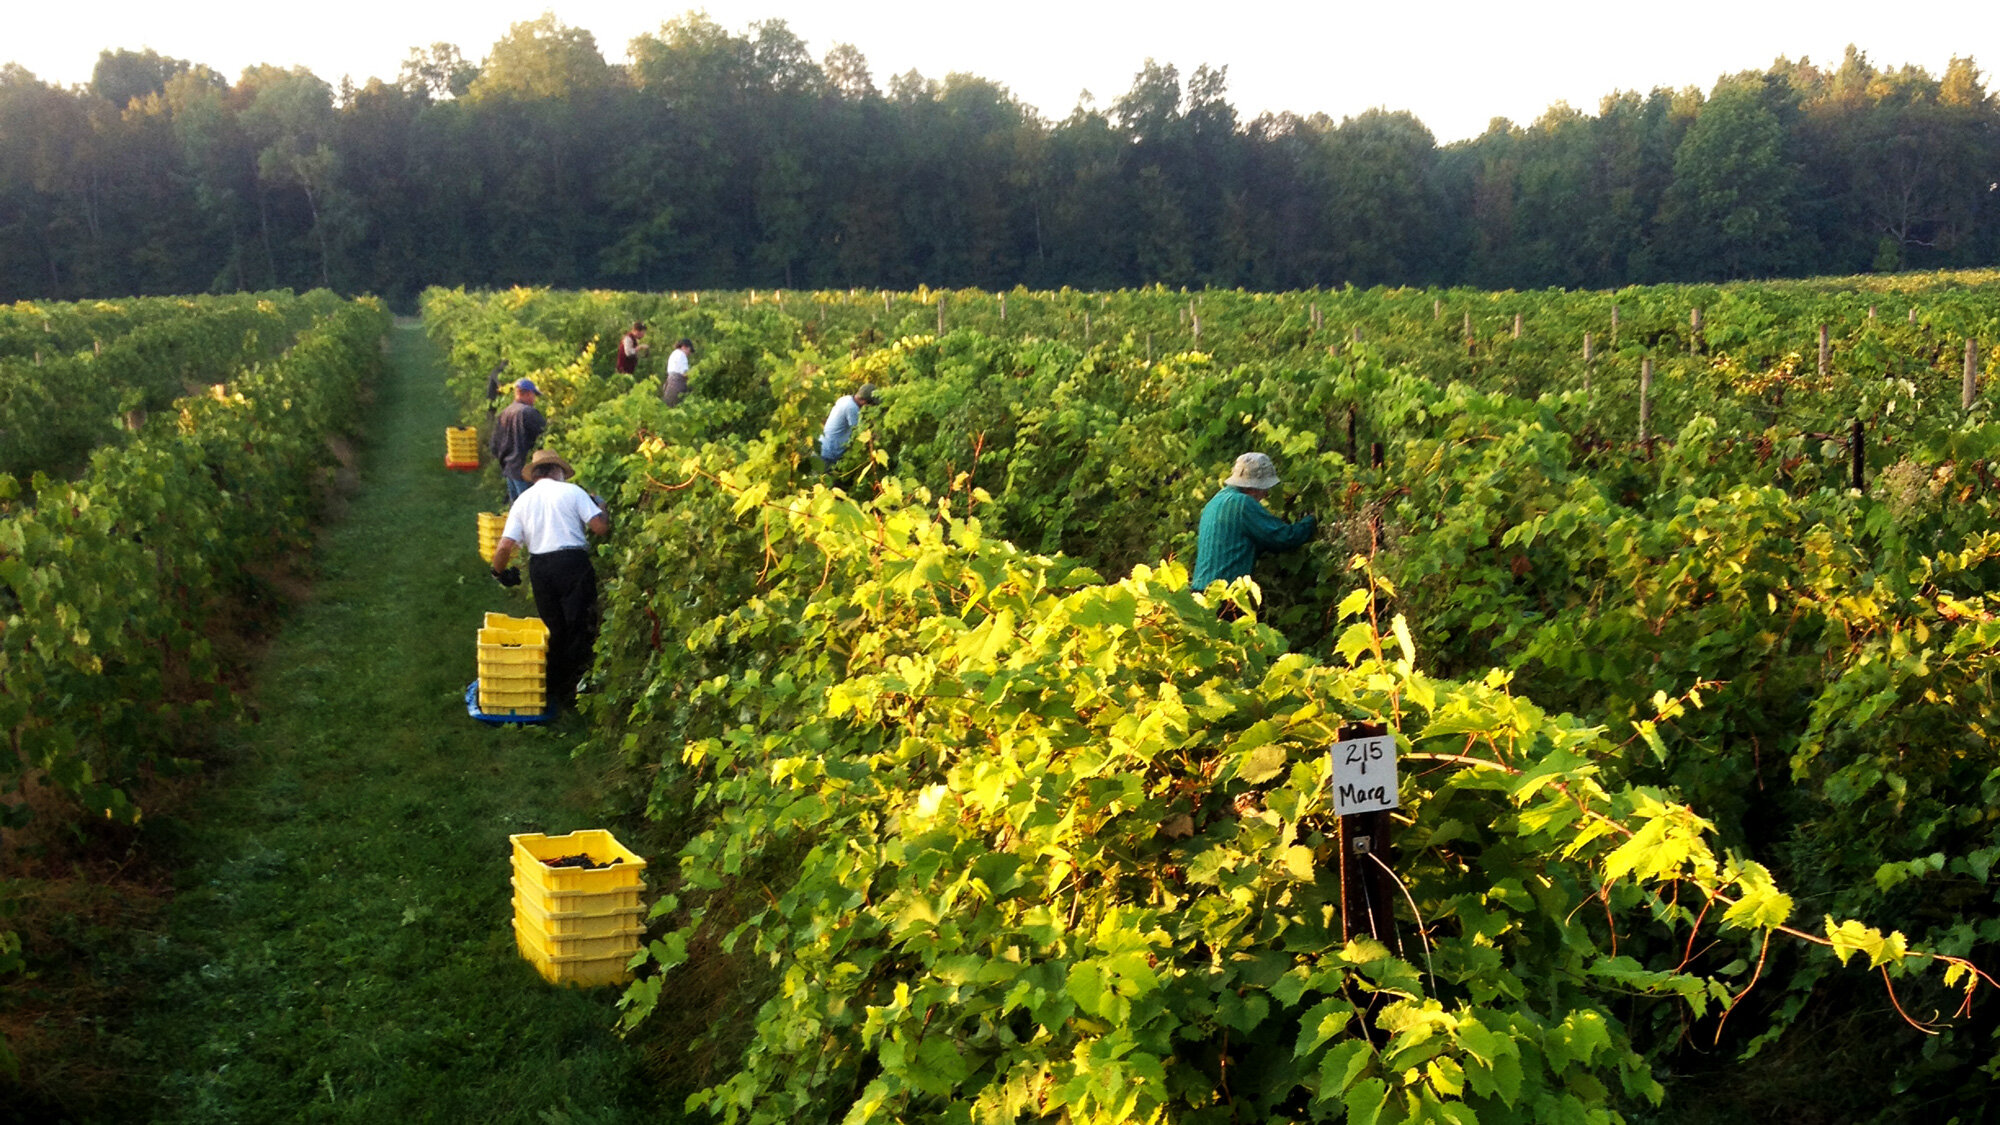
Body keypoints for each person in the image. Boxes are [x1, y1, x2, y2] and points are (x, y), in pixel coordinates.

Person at [490, 450, 609, 710]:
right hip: (572, 563)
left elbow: (504, 547)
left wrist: (498, 573)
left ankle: (553, 689)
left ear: (535, 475)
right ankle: (579, 692)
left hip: (541, 568)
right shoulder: (573, 492)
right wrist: (601, 505)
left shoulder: (523, 501)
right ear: (557, 471)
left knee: (555, 628)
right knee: (579, 626)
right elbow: (600, 528)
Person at [1189, 452, 1316, 596]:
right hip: (1226, 596)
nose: (1266, 494)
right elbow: (1284, 537)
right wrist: (1310, 522)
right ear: (1253, 487)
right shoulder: (1243, 503)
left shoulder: (1215, 501)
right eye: (1265, 488)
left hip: (1199, 593)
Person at [490, 377, 546, 502]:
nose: (534, 399)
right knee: (529, 508)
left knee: (516, 510)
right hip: (525, 470)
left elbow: (494, 444)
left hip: (509, 469)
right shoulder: (528, 413)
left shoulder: (505, 412)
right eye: (533, 395)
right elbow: (545, 433)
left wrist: (504, 462)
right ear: (526, 393)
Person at [816, 383, 878, 471]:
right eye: (870, 405)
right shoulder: (852, 408)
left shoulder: (846, 399)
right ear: (864, 401)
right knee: (824, 482)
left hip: (822, 446)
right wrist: (875, 437)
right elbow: (859, 432)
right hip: (828, 453)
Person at [660, 338, 695, 405]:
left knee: (668, 405)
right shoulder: (682, 355)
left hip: (669, 382)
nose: (689, 353)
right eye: (689, 350)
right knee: (676, 405)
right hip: (677, 384)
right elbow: (684, 373)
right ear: (684, 347)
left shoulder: (674, 354)